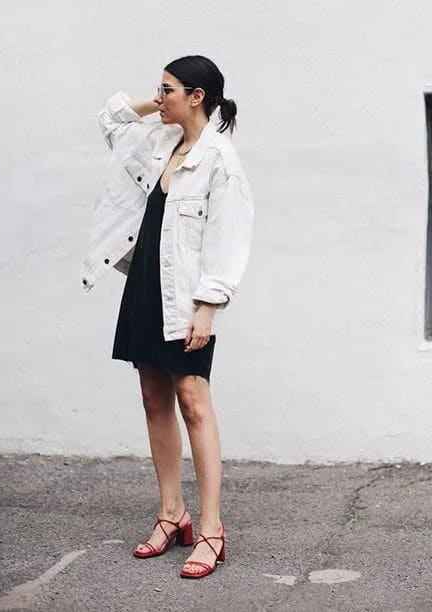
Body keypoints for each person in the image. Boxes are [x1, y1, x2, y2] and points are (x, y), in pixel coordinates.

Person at [82, 55, 254, 579]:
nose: (159, 98)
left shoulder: (219, 159)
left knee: (194, 402)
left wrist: (209, 306)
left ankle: (212, 529)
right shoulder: (158, 142)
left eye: (169, 89)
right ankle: (170, 513)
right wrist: (153, 104)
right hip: (144, 287)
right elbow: (111, 120)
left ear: (197, 96)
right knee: (153, 397)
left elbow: (229, 236)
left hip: (186, 297)